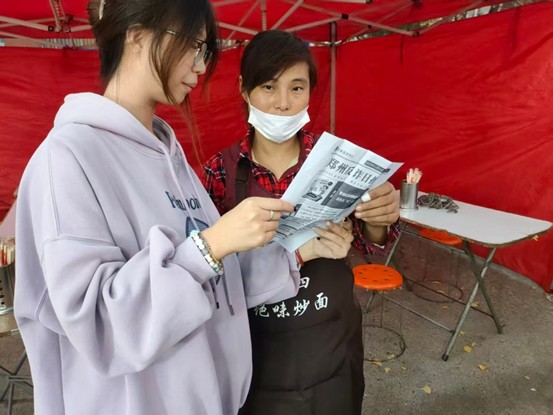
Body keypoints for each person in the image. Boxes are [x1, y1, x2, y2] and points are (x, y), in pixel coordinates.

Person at [13, 2, 354, 414]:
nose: (201, 66)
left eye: (205, 50)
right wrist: (210, 246)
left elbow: (218, 280)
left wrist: (299, 252)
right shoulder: (69, 157)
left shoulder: (170, 158)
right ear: (137, 36)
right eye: (192, 45)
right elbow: (100, 324)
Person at [201, 30, 401, 415]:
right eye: (268, 86)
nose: (282, 103)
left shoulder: (337, 160)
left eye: (296, 88)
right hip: (256, 354)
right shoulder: (218, 172)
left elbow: (370, 240)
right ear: (244, 90)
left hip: (331, 351)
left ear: (310, 92)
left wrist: (380, 216)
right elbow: (209, 269)